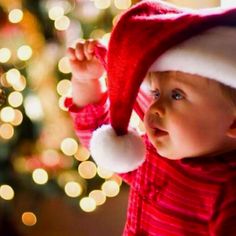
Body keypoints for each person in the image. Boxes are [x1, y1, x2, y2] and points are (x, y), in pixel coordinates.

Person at [66, 1, 236, 235]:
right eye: (156, 93)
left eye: (177, 94)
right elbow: (98, 135)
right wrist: (86, 81)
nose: (155, 108)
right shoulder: (152, 156)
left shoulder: (228, 197)